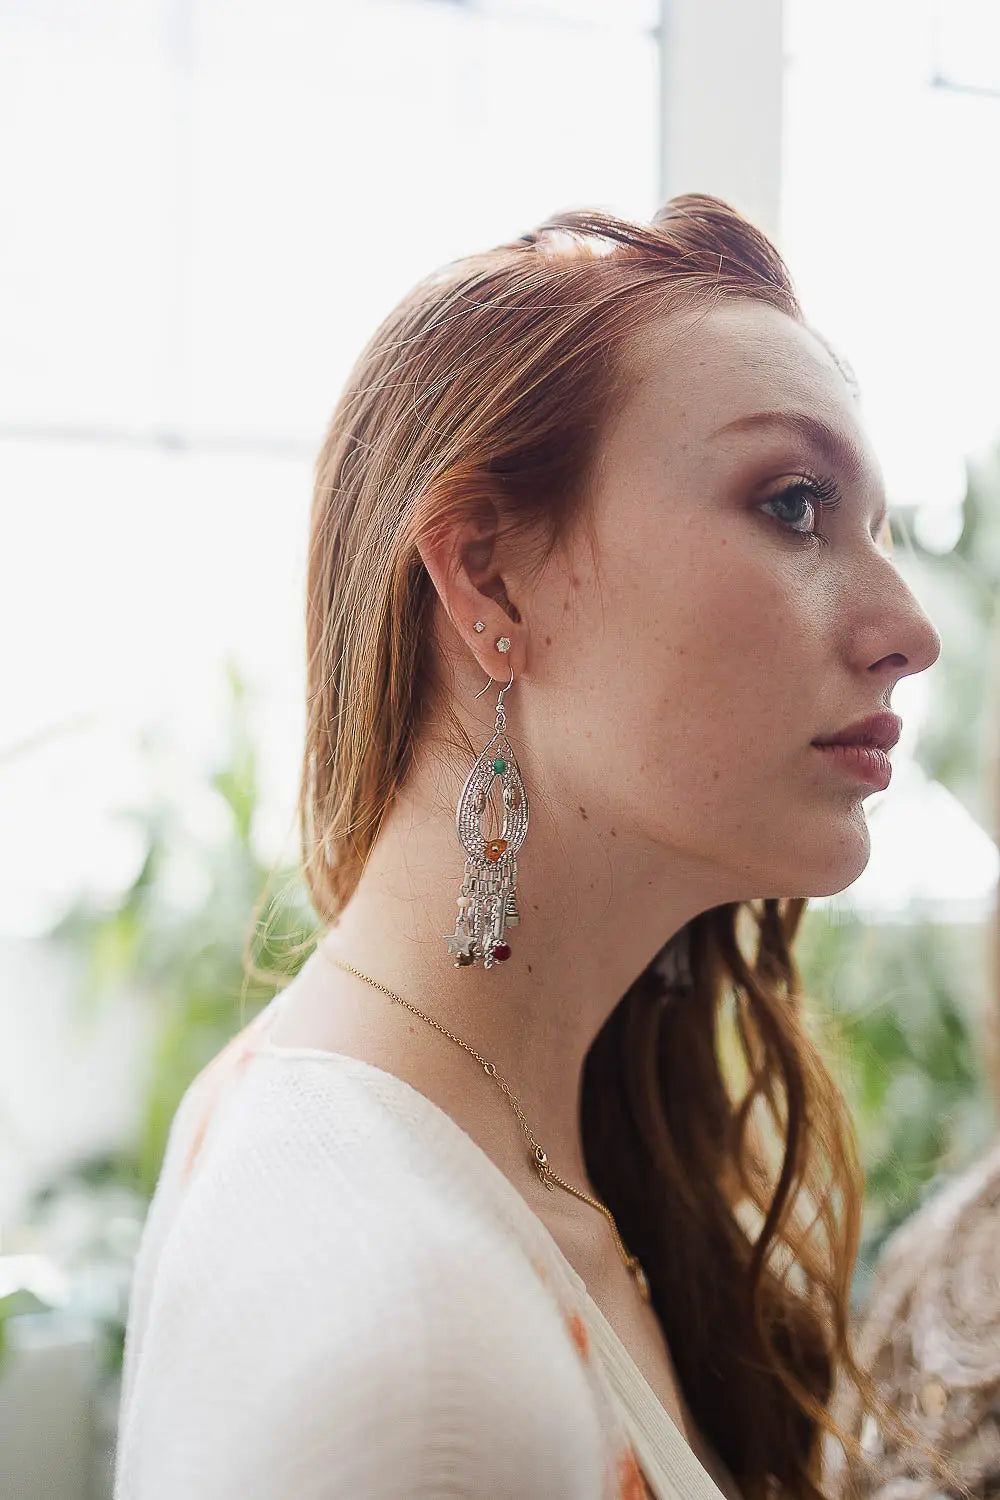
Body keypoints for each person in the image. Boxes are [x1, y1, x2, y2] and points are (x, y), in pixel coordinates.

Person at [113, 195, 955, 1499]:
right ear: (489, 581)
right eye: (794, 505)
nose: (909, 626)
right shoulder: (424, 1366)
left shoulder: (452, 1134)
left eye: (876, 530)